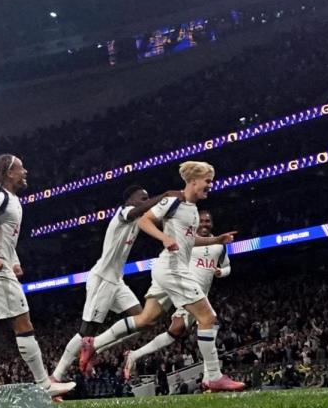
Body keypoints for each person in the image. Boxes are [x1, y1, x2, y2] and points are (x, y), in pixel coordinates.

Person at [80, 161, 244, 391]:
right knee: (208, 318)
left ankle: (94, 343)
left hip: (168, 270)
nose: (210, 185)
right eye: (207, 181)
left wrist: (216, 240)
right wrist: (164, 238)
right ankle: (213, 376)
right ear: (193, 181)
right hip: (172, 268)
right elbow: (144, 220)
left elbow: (190, 241)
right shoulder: (174, 201)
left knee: (146, 319)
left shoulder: (192, 210)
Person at [0, 155, 74, 396]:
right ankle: (45, 385)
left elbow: (6, 238)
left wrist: (15, 261)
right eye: (21, 168)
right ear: (9, 173)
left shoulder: (13, 199)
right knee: (23, 323)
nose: (25, 171)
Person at [51, 185, 173, 381]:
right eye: (142, 198)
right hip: (102, 278)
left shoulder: (139, 220)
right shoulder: (123, 213)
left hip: (116, 280)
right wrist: (164, 194)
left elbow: (154, 217)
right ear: (130, 199)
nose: (145, 201)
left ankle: (96, 347)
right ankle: (56, 376)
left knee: (143, 320)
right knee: (86, 331)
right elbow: (137, 211)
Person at [122, 210, 231, 380]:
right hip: (186, 291)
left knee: (177, 330)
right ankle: (210, 376)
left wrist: (220, 272)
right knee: (211, 323)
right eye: (201, 221)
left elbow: (227, 267)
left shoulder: (219, 245)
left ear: (212, 223)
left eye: (207, 221)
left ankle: (135, 354)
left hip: (201, 295)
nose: (204, 224)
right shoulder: (188, 241)